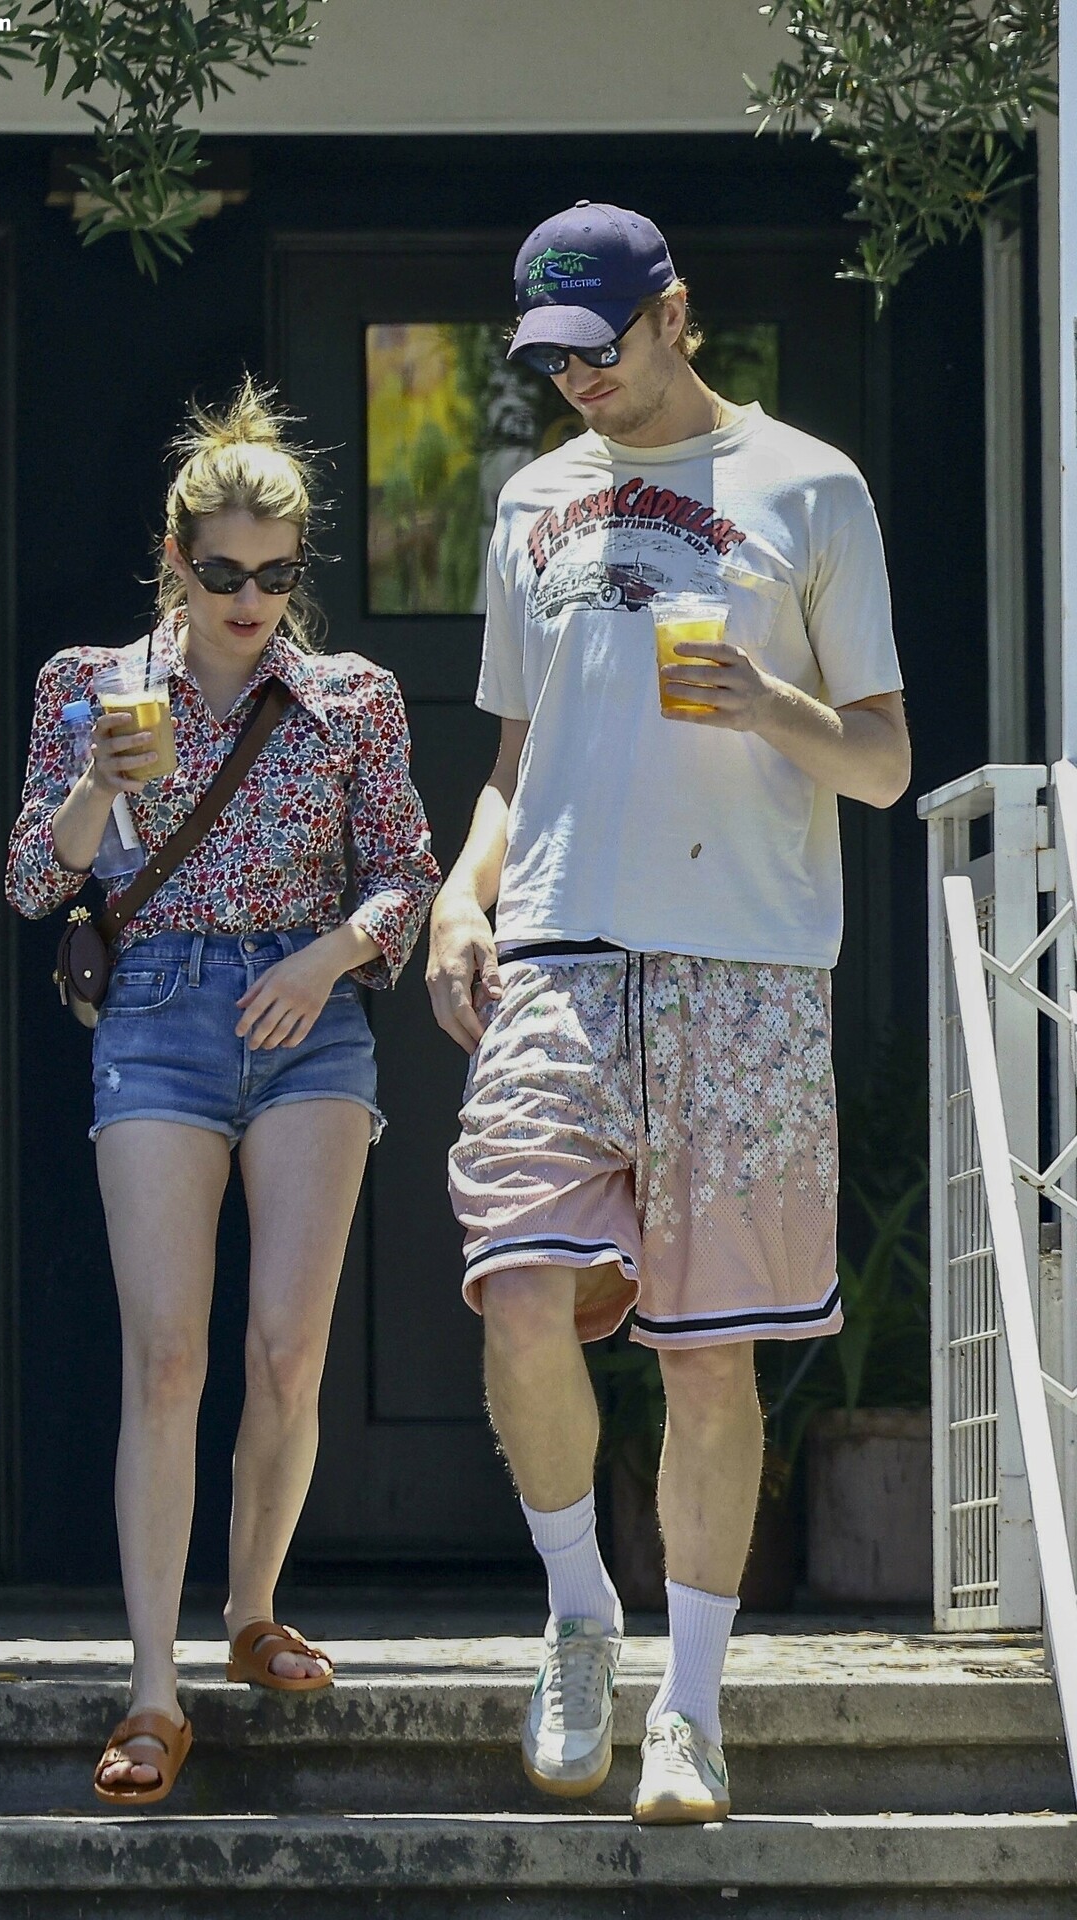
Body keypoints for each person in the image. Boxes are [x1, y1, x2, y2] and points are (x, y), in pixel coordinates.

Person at [426, 202, 909, 1823]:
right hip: (559, 947)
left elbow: (884, 760)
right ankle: (580, 1609)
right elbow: (515, 761)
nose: (577, 381)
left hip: (748, 963)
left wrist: (769, 703)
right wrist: (459, 893)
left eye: (601, 348)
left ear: (676, 313)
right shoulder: (529, 501)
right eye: (550, 357)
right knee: (517, 1286)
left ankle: (692, 1710)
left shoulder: (811, 486)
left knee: (708, 1365)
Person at [7, 377, 440, 1807]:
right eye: (222, 573)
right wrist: (94, 786)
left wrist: (330, 956)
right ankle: (152, 1688)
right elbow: (33, 879)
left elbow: (408, 875)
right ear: (175, 559)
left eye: (275, 575)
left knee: (286, 1351)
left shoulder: (350, 698)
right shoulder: (91, 686)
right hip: (157, 1012)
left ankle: (252, 1609)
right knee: (167, 1358)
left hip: (309, 1021)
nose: (249, 601)